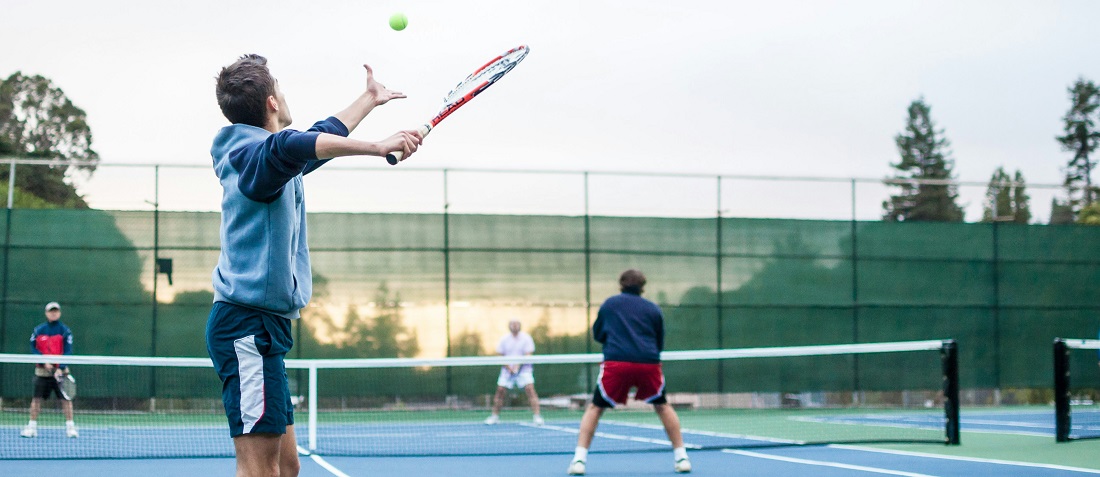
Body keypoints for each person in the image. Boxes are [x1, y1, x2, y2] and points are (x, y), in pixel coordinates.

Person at [205, 54, 422, 477]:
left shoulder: (268, 160)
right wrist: (378, 146)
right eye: (281, 90)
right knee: (258, 469)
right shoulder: (255, 160)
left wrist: (369, 100)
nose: (285, 97)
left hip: (266, 329)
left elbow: (316, 137)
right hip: (246, 328)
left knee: (288, 468)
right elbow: (294, 143)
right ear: (271, 102)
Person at [568, 270, 690, 475]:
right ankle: (682, 457)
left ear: (621, 285)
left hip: (617, 363)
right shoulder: (653, 309)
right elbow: (659, 341)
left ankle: (579, 461)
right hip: (648, 363)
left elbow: (598, 333)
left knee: (595, 409)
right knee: (663, 406)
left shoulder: (609, 305)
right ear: (643, 286)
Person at [20, 302, 78, 439]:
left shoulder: (65, 331)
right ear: (46, 313)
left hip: (61, 372)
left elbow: (68, 351)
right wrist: (43, 362)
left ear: (59, 313)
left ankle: (70, 428)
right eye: (51, 311)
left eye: (56, 311)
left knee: (66, 400)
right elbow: (34, 349)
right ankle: (32, 427)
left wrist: (61, 368)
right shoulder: (38, 330)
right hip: (42, 372)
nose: (53, 313)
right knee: (36, 399)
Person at [484, 319, 544, 426]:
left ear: (520, 326)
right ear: (509, 326)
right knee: (500, 391)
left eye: (516, 324)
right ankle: (494, 416)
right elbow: (500, 355)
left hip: (524, 370)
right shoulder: (504, 339)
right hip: (507, 371)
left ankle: (537, 416)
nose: (514, 326)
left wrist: (518, 366)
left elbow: (528, 354)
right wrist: (509, 368)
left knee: (530, 389)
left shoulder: (526, 338)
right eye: (512, 324)